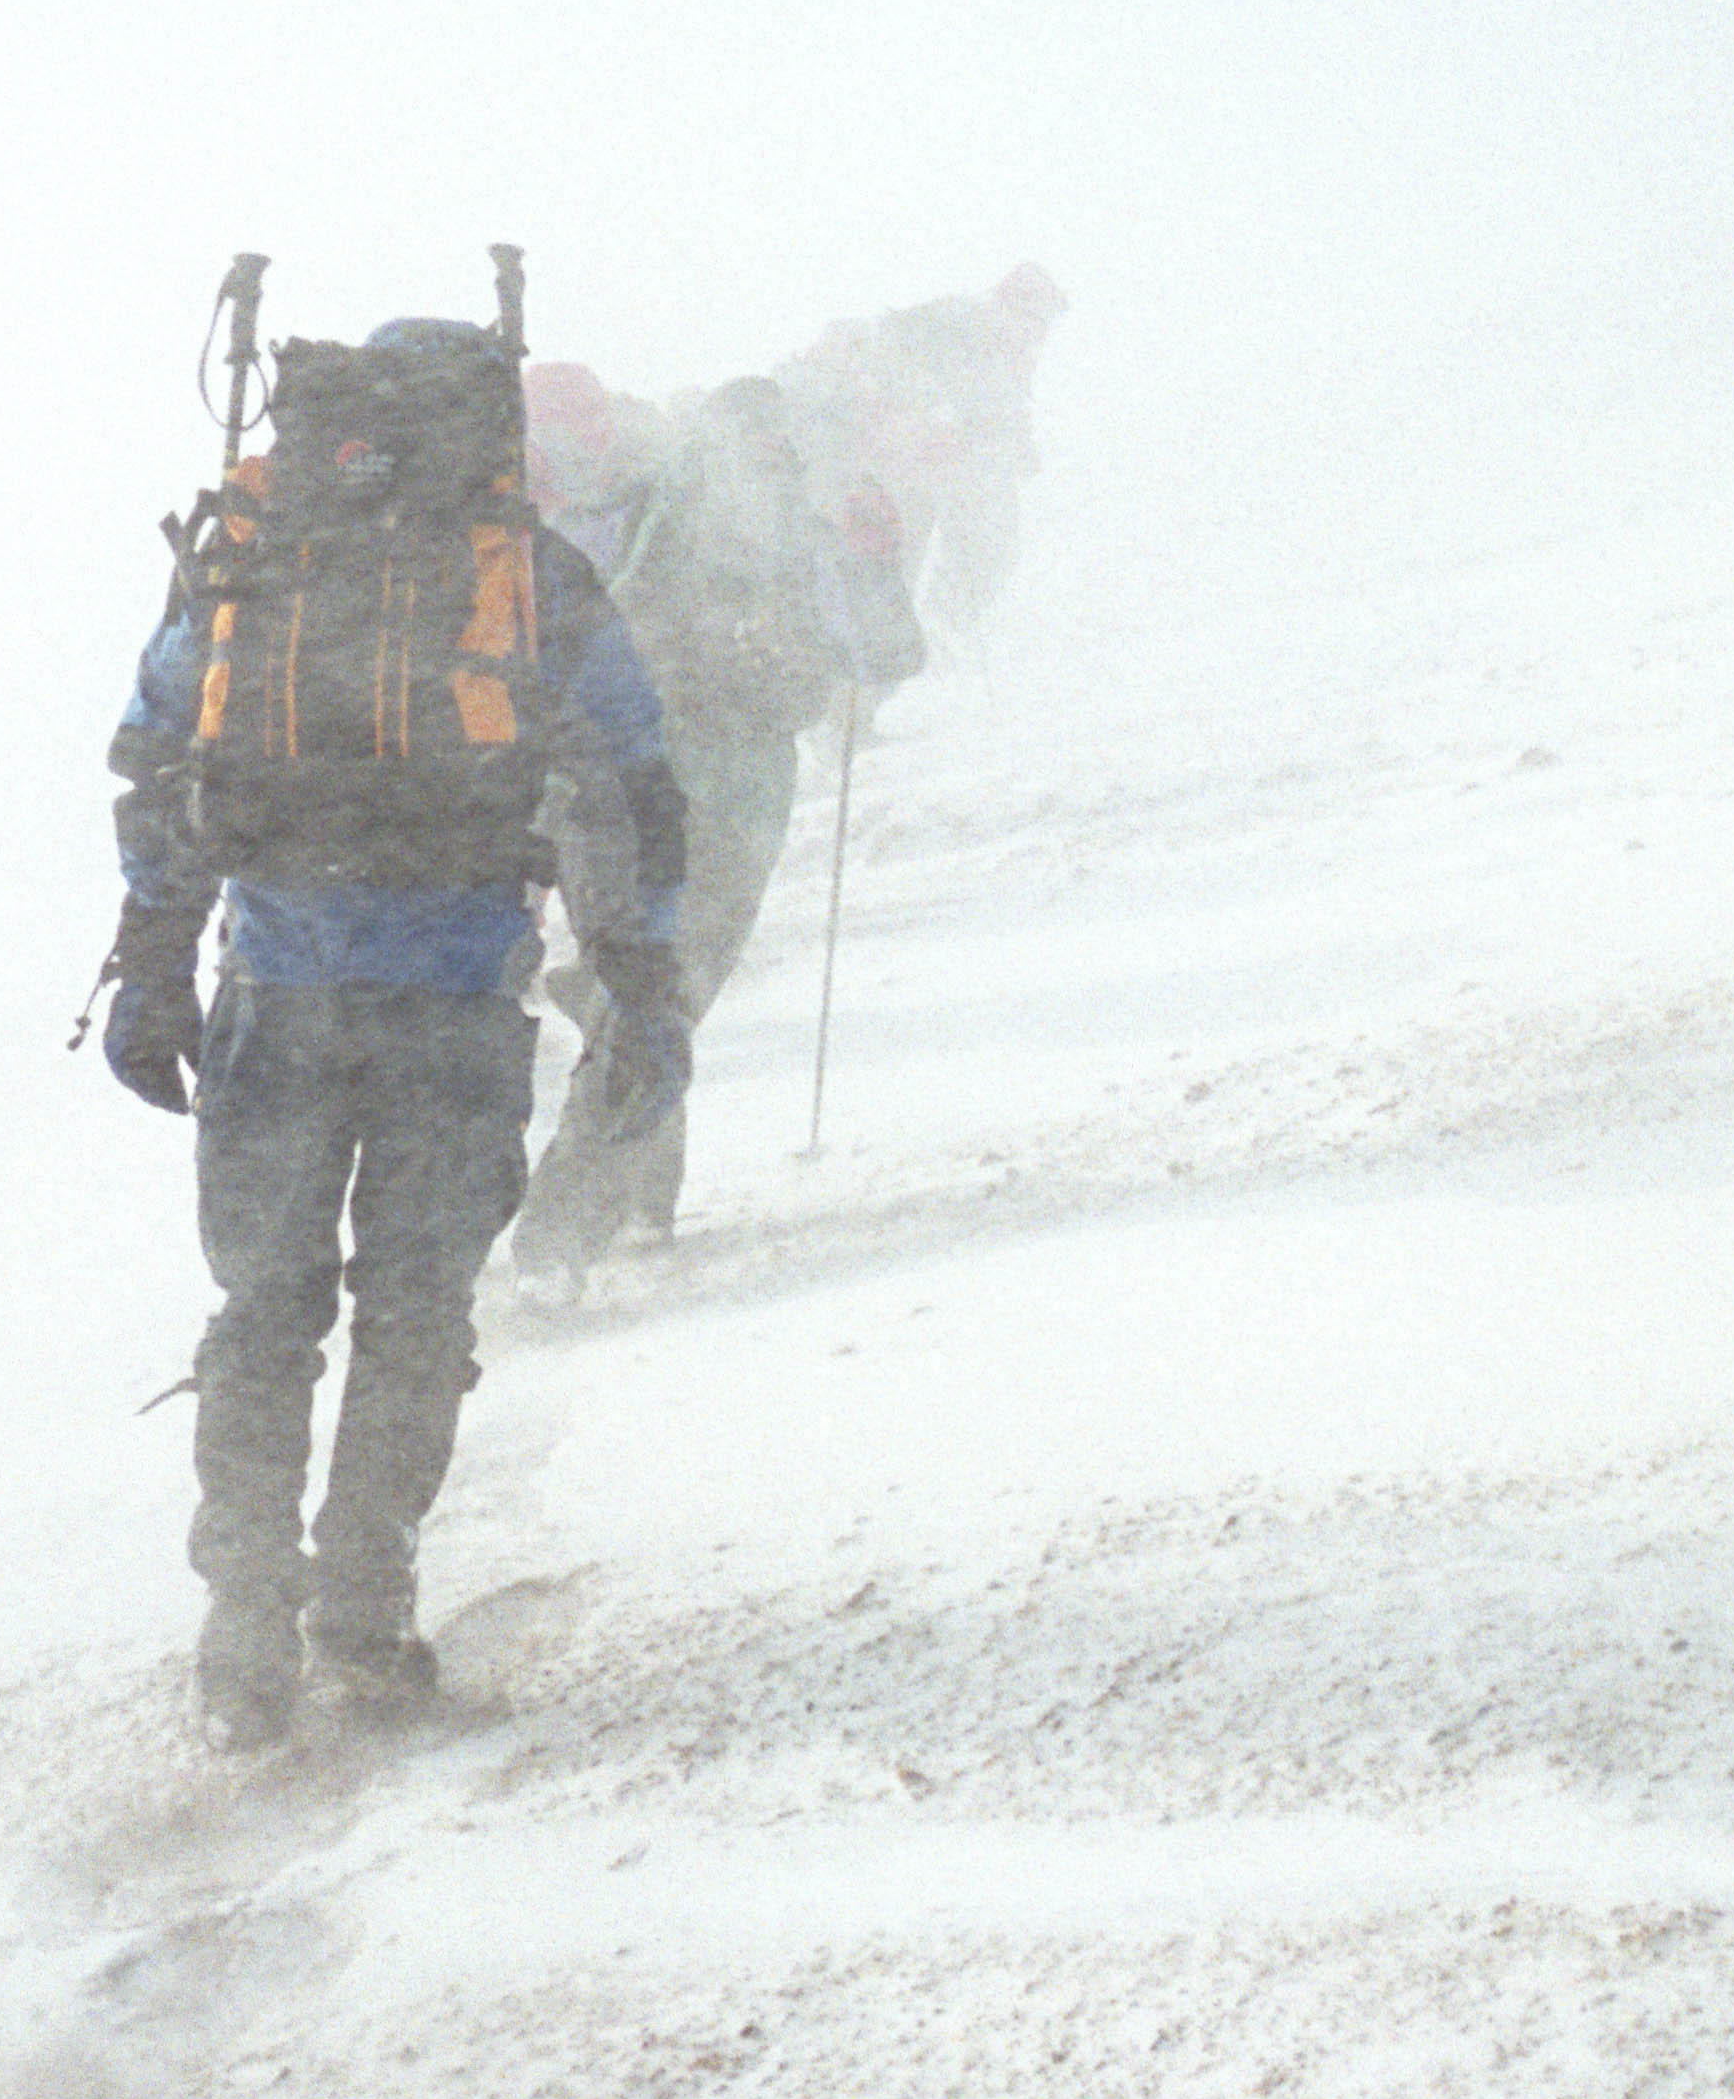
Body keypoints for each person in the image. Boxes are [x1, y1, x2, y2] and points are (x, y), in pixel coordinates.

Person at [99, 314, 690, 1746]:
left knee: (263, 1312)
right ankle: (364, 1609)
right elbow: (636, 781)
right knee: (415, 1311)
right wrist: (642, 983)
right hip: (457, 999)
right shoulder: (530, 575)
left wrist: (152, 962)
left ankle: (241, 1632)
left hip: (275, 993)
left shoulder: (249, 564)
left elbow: (158, 756)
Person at [514, 370, 926, 1271]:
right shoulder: (555, 522)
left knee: (652, 993)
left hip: (716, 795)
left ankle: (589, 1215)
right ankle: (602, 1214)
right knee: (644, 995)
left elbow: (880, 649)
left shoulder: (734, 516)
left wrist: (866, 558)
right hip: (616, 795)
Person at [774, 263, 1064, 627]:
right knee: (890, 554)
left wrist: (1015, 445)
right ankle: (876, 638)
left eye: (1043, 326)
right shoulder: (951, 321)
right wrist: (933, 413)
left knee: (984, 547)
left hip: (929, 471)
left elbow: (998, 417)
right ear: (1007, 306)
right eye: (1034, 320)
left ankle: (936, 630)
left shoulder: (1011, 359)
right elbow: (890, 364)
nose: (1037, 334)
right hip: (892, 463)